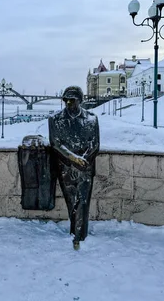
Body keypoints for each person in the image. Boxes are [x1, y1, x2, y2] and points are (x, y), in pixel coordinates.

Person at [48, 85, 100, 250]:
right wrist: (74, 159)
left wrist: (84, 160)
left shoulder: (92, 119)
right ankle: (76, 232)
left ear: (80, 100)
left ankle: (79, 236)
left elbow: (95, 143)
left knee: (83, 201)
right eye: (66, 100)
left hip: (86, 167)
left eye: (72, 100)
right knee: (72, 202)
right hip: (66, 167)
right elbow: (56, 143)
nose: (69, 103)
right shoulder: (55, 119)